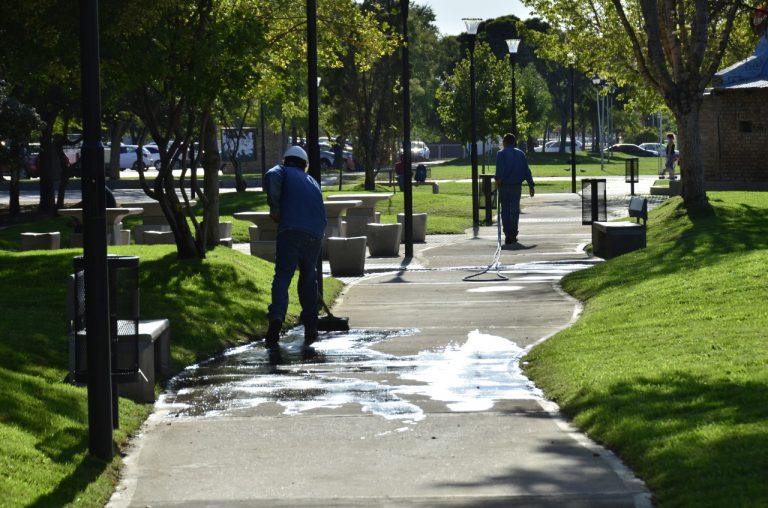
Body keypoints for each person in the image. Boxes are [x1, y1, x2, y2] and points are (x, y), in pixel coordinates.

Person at [263, 146, 327, 360]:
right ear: (304, 164)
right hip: (315, 234)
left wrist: (275, 208)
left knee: (283, 275)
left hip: (290, 230)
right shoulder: (312, 182)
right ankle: (311, 325)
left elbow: (271, 176)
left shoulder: (281, 171)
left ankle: (277, 318)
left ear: (287, 160)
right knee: (309, 279)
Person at [494, 133, 535, 244]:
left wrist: (498, 180)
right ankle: (513, 233)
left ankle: (507, 233)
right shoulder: (520, 154)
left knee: (505, 210)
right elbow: (527, 170)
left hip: (504, 186)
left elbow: (499, 170)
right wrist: (531, 185)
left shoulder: (500, 154)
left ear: (505, 142)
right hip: (516, 186)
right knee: (514, 210)